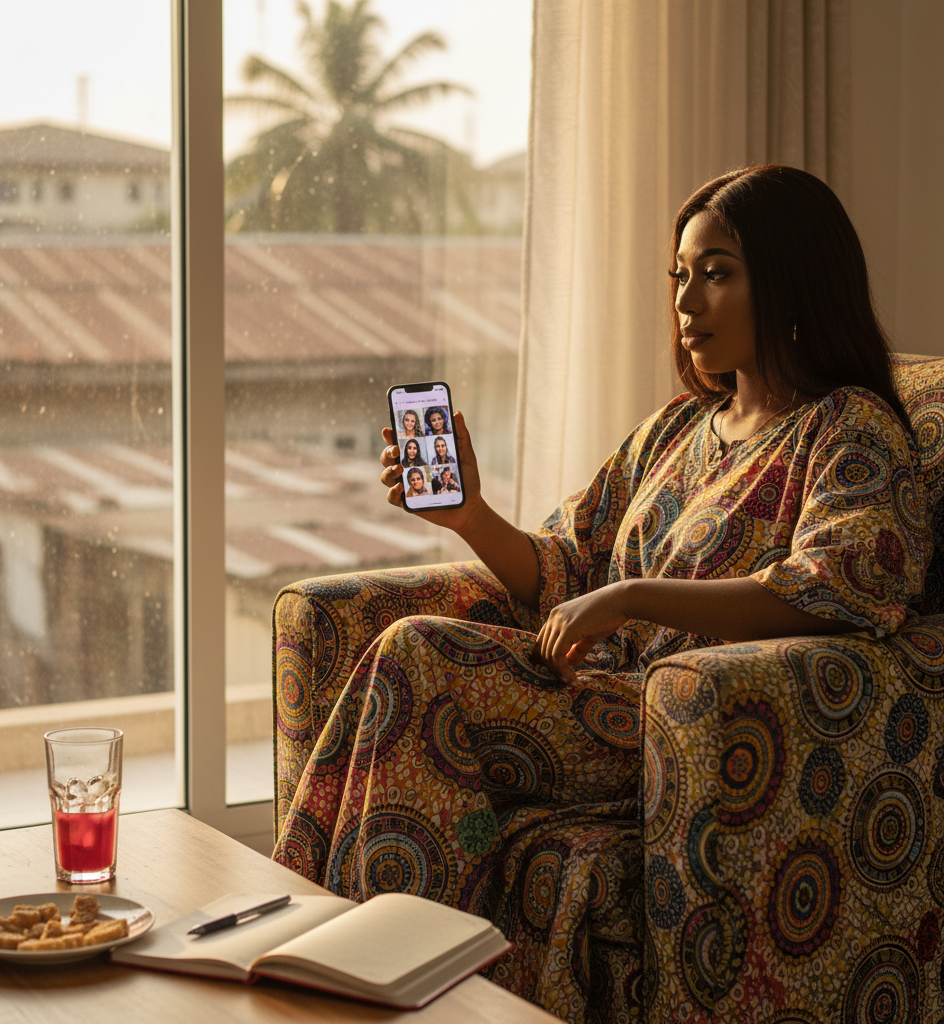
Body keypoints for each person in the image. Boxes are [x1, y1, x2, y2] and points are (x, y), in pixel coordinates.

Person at [273, 166, 929, 1017]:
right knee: (407, 660)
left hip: (684, 728)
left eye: (718, 272)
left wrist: (634, 599)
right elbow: (563, 568)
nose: (686, 301)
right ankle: (341, 970)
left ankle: (323, 965)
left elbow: (839, 588)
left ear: (794, 276)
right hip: (590, 699)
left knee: (419, 655)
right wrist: (471, 515)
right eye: (679, 275)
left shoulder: (850, 429)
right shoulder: (675, 429)